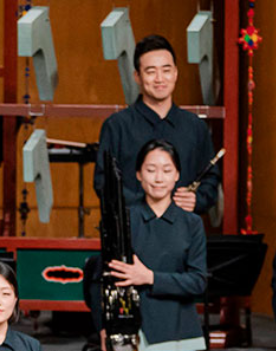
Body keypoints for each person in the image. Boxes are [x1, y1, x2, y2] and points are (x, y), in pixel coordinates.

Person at [99, 139, 208, 351]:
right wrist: (103, 327)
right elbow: (99, 279)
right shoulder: (123, 220)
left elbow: (198, 282)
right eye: (150, 170)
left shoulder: (191, 224)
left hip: (178, 333)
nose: (158, 178)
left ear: (177, 176)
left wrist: (150, 277)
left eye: (166, 170)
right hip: (130, 331)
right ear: (138, 174)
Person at [94, 34, 219, 215]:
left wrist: (197, 199)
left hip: (183, 233)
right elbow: (103, 182)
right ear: (137, 76)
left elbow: (211, 178)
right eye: (151, 71)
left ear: (175, 73)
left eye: (166, 70)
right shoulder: (117, 126)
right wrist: (148, 206)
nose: (160, 79)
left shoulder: (195, 127)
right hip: (132, 232)